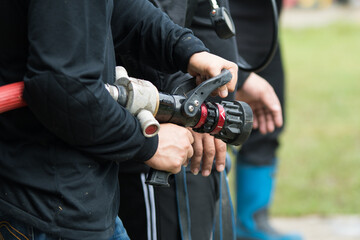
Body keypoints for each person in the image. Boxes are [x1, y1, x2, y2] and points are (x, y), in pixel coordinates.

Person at [0, 1, 239, 240]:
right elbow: (63, 88)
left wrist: (185, 48)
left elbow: (118, 8)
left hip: (74, 198)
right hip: (46, 208)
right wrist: (148, 143)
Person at [117, 0, 284, 239]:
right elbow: (147, 19)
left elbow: (199, 13)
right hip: (159, 140)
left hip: (198, 124)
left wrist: (239, 79)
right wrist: (187, 109)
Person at [230, 0, 303, 239]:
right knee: (214, 121)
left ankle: (251, 223)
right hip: (227, 21)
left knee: (268, 120)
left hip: (266, 27)